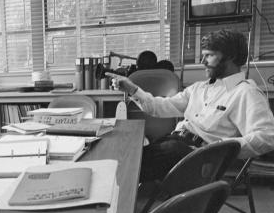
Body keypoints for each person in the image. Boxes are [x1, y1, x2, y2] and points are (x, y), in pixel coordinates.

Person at [107, 29, 274, 182]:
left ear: (230, 57)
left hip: (196, 159)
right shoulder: (199, 88)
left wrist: (218, 149)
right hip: (174, 143)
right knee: (122, 153)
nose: (202, 61)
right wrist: (132, 89)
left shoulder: (246, 92)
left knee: (122, 166)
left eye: (209, 55)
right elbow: (159, 107)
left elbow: (267, 136)